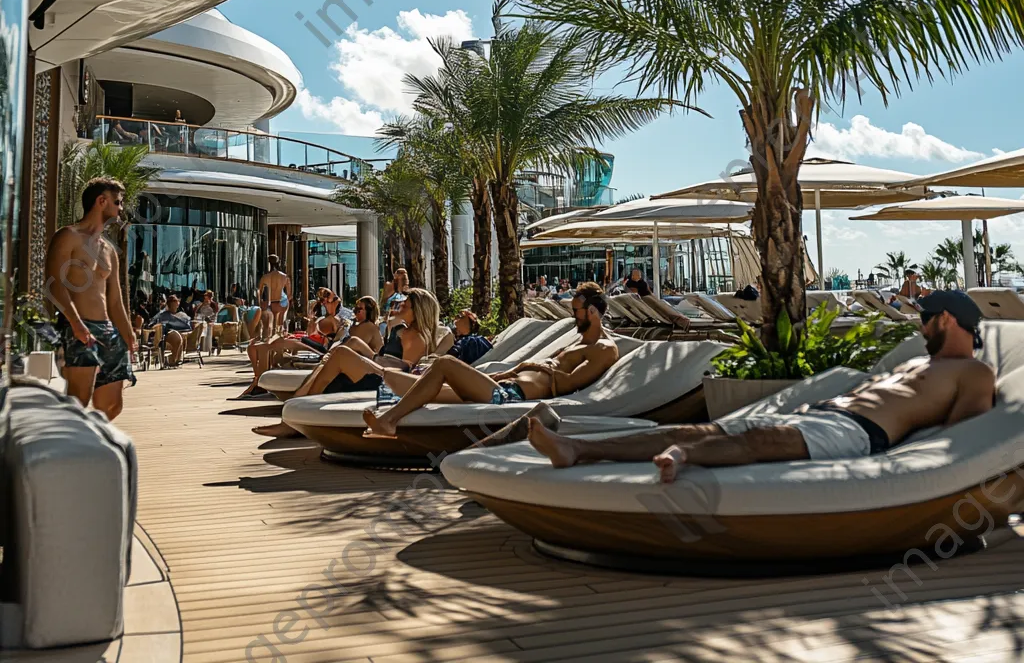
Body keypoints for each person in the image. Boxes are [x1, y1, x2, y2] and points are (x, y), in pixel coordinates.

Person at [526, 289, 995, 482]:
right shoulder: (920, 364)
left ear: (948, 320)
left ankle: (585, 451)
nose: (921, 326)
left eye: (926, 318)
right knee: (702, 432)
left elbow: (962, 440)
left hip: (855, 434)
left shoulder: (973, 372)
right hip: (823, 418)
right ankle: (579, 447)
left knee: (749, 440)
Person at [362, 282, 619, 439]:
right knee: (414, 382)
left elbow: (569, 383)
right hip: (505, 386)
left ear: (593, 312)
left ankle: (389, 422)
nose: (574, 316)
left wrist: (534, 365)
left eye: (577, 311)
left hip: (511, 397)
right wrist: (506, 373)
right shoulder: (578, 342)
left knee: (444, 365)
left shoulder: (604, 348)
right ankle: (392, 411)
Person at [253, 289, 440, 438]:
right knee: (332, 359)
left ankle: (290, 420)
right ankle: (290, 418)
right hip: (380, 371)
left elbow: (403, 370)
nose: (400, 308)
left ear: (418, 311)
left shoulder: (416, 337)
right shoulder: (402, 329)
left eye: (405, 306)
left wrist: (371, 361)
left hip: (387, 382)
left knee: (341, 354)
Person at [44, 177, 137, 420]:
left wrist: (128, 334)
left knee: (112, 406)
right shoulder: (68, 236)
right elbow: (53, 286)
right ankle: (68, 451)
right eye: (117, 202)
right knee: (79, 402)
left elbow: (115, 300)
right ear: (101, 201)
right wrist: (76, 324)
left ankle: (92, 445)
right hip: (77, 328)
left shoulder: (108, 249)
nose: (120, 208)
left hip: (107, 330)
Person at [147, 294, 194, 366]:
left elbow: (186, 325)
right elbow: (153, 323)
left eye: (176, 305)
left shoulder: (179, 315)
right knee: (178, 338)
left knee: (180, 338)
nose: (176, 306)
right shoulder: (163, 314)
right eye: (174, 305)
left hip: (174, 333)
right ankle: (172, 360)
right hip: (163, 334)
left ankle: (176, 359)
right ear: (170, 305)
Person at [257, 254, 291, 339]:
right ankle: (282, 335)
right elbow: (289, 294)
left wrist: (260, 303)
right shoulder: (284, 276)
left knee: (267, 324)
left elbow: (259, 292)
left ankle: (269, 337)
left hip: (270, 303)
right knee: (281, 322)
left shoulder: (265, 277)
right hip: (282, 302)